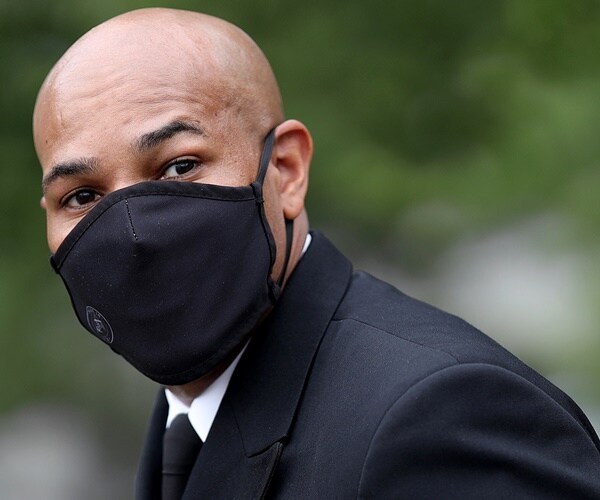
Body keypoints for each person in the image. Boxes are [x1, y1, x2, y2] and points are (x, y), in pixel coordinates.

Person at [33, 7, 600, 499]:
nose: (135, 233)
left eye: (180, 166)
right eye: (81, 196)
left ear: (287, 168)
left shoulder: (441, 416)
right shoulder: (184, 423)